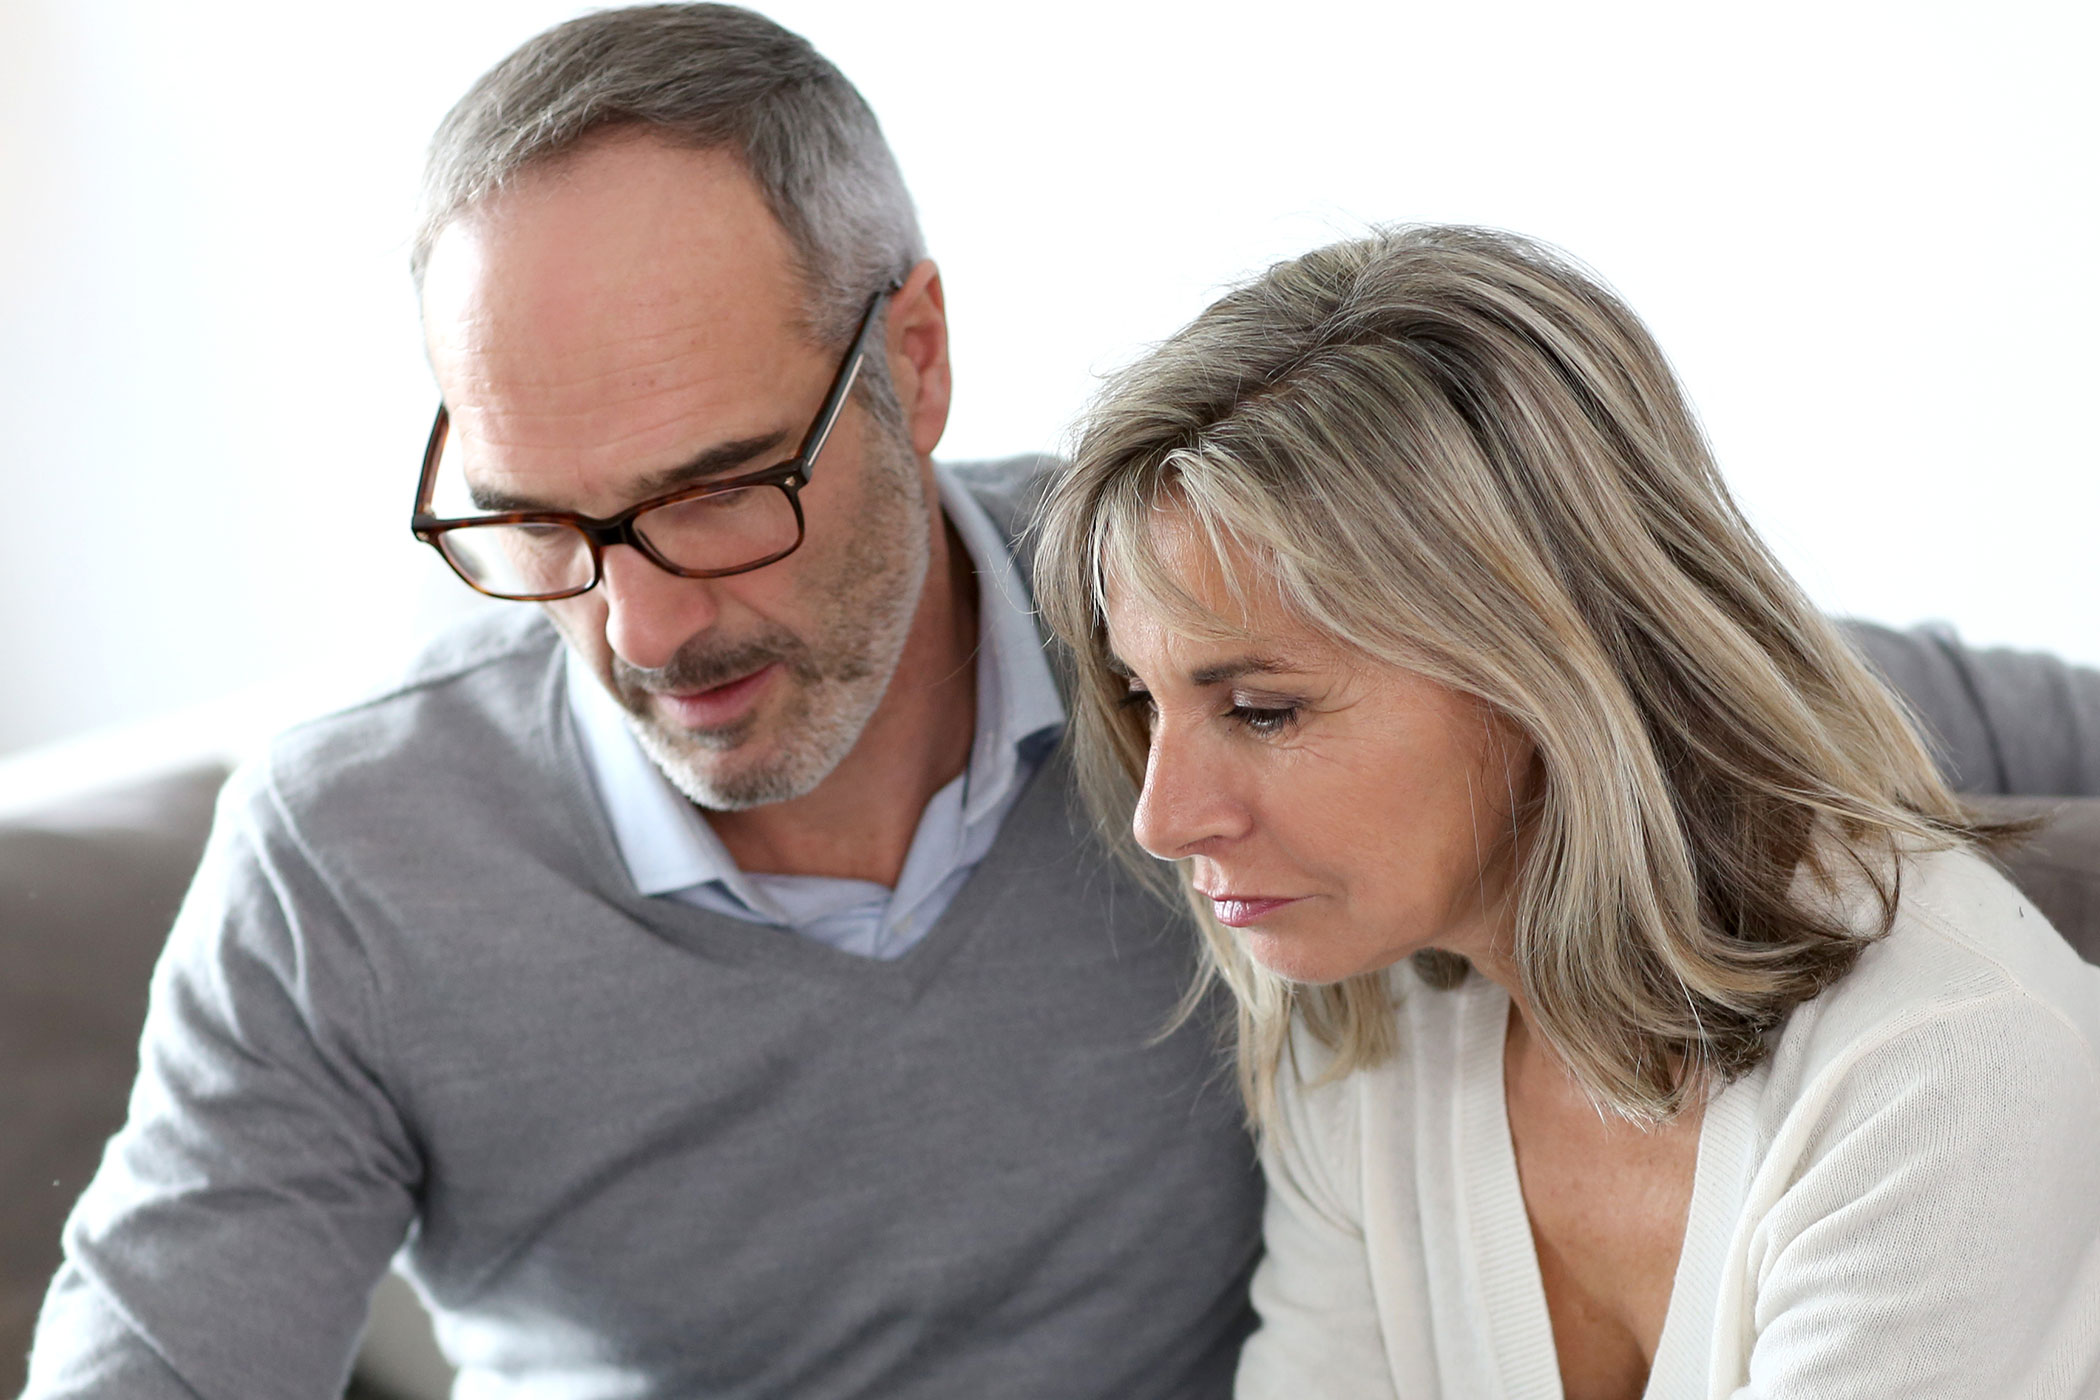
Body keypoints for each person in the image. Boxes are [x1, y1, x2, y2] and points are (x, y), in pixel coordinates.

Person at [20, 8, 2096, 1397]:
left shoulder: (1211, 617)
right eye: (540, 520)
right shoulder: (356, 855)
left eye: (719, 493)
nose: (645, 625)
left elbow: (1709, 710)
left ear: (913, 363)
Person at [1031, 224, 2100, 1398]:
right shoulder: (1369, 1027)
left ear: (1545, 670)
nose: (1163, 816)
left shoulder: (1942, 1064)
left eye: (1263, 708)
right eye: (1146, 697)